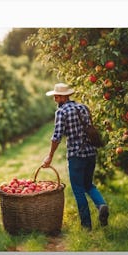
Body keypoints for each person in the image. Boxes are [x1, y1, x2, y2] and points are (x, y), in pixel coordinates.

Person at [42, 83, 109, 231]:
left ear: (65, 96)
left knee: (78, 189)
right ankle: (101, 204)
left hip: (76, 155)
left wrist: (50, 156)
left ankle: (86, 227)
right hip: (91, 153)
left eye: (57, 96)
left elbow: (57, 137)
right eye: (55, 95)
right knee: (88, 185)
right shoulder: (83, 107)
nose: (55, 99)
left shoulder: (61, 112)